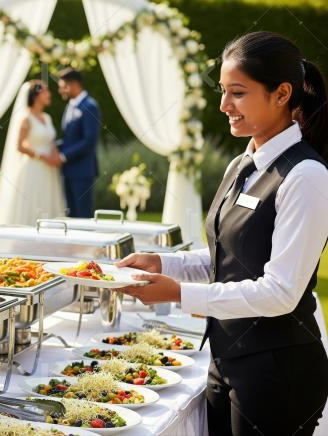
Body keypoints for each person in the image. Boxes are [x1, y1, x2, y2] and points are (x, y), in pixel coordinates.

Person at [116, 31, 328, 435]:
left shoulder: (306, 176)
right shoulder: (240, 164)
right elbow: (225, 258)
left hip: (279, 372)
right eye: (223, 92)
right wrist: (163, 263)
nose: (223, 105)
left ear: (282, 94)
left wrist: (177, 293)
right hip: (226, 361)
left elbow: (280, 291)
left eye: (238, 93)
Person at [0, 80, 65, 226]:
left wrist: (56, 156)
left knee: (47, 199)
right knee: (33, 201)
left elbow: (51, 140)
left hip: (49, 169)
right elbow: (19, 146)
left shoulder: (47, 118)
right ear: (36, 96)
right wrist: (43, 156)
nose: (49, 94)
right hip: (33, 167)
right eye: (45, 91)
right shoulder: (26, 118)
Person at [56, 68, 100, 218]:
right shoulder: (70, 106)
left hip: (82, 171)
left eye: (62, 86)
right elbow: (69, 139)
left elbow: (89, 140)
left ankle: (85, 243)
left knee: (83, 215)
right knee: (71, 215)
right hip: (68, 170)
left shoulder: (90, 106)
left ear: (73, 84)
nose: (60, 90)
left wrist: (63, 156)